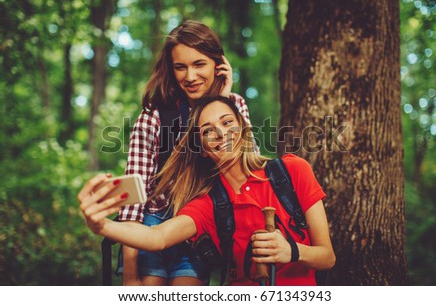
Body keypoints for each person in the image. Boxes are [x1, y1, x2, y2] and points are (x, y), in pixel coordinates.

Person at [79, 96, 336, 286]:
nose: (221, 133)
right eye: (208, 131)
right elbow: (157, 237)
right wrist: (100, 225)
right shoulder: (209, 203)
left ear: (244, 130)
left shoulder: (293, 170)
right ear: (201, 148)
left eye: (227, 122)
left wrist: (292, 250)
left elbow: (327, 257)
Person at [118, 20, 255, 286]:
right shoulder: (154, 114)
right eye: (180, 67)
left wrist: (221, 103)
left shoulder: (234, 105)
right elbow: (133, 196)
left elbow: (247, 169)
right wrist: (130, 272)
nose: (190, 77)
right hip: (152, 223)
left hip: (197, 227)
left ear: (218, 65)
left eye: (199, 64)